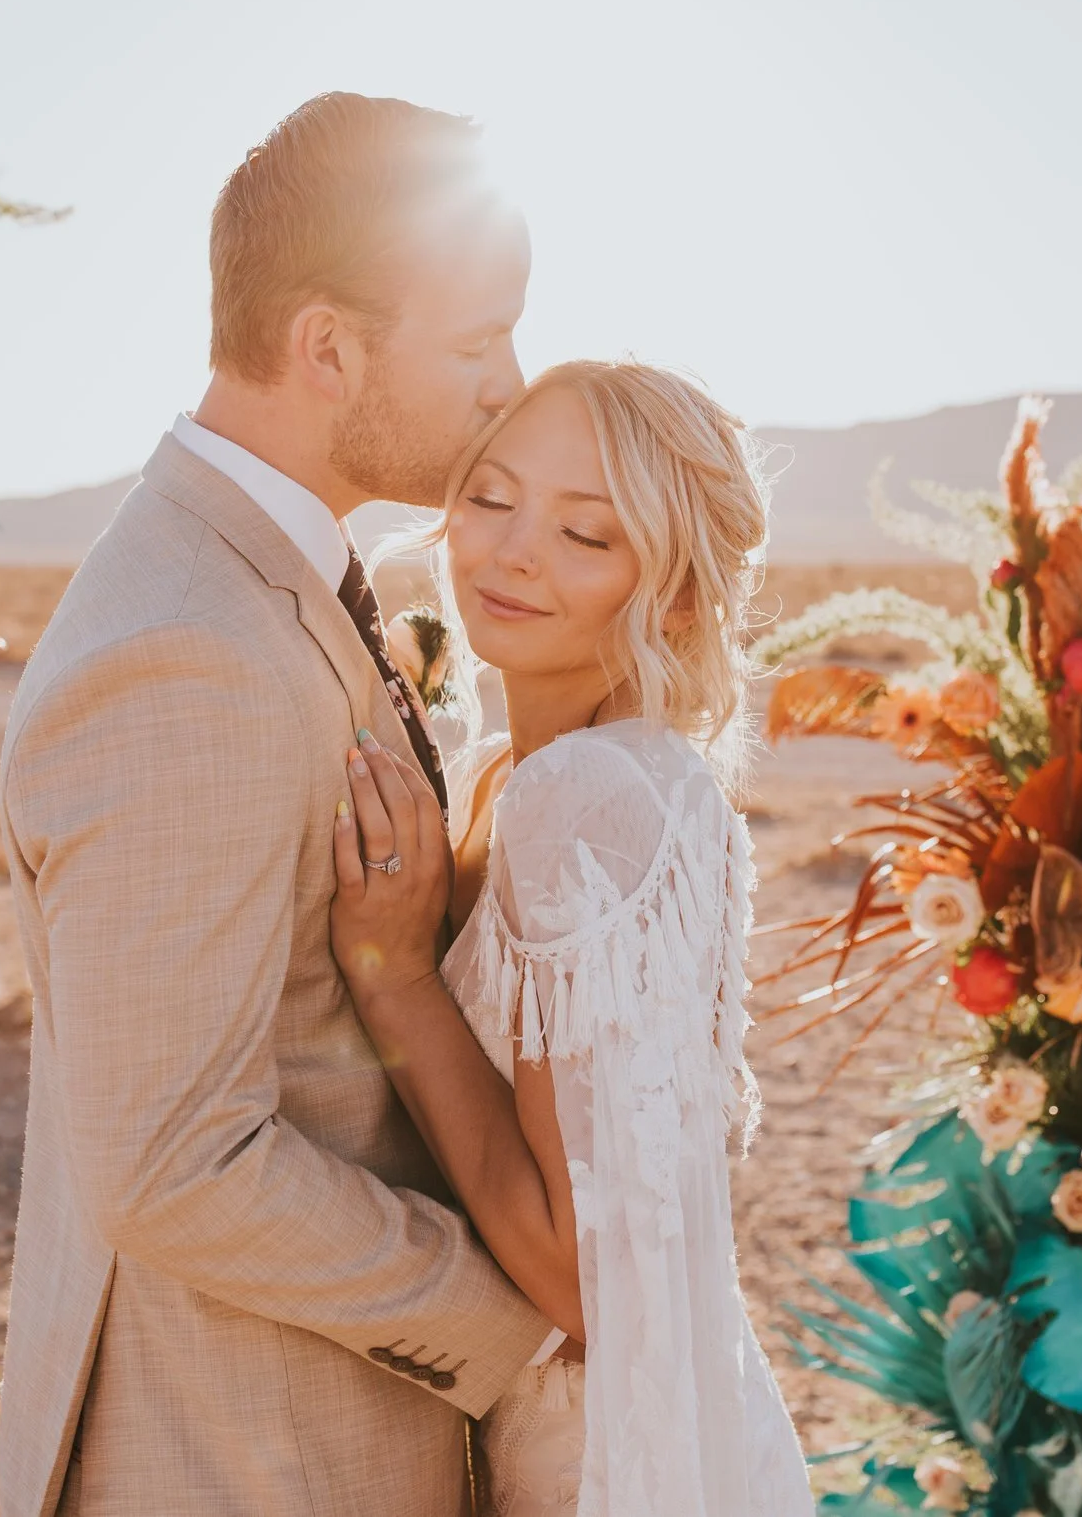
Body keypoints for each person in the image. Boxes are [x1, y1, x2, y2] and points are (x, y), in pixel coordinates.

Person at [0, 93, 563, 1516]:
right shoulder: (187, 650)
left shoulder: (264, 579)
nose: (512, 380)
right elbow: (174, 1158)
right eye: (478, 338)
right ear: (326, 346)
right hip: (240, 1454)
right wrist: (510, 1317)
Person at [328, 360, 818, 1515]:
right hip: (686, 1406)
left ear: (680, 596)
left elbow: (577, 1273)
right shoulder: (548, 773)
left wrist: (397, 978)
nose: (511, 553)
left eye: (585, 533)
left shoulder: (582, 798)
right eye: (490, 499)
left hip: (610, 1462)